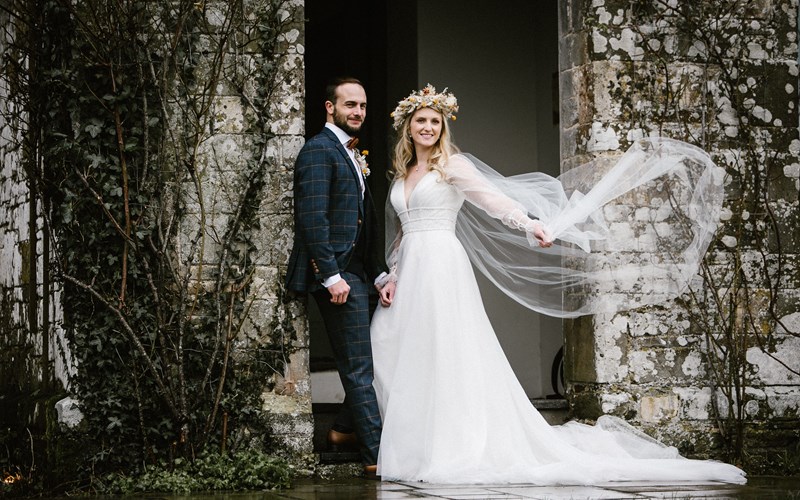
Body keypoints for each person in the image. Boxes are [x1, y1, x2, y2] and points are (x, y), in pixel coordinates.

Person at [369, 84, 746, 484]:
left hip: (442, 267)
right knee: (390, 345)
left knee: (444, 353)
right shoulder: (404, 171)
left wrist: (530, 223)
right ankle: (412, 445)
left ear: (443, 128)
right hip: (409, 271)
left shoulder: (453, 167)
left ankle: (447, 448)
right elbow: (402, 231)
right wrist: (391, 275)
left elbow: (493, 200)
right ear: (408, 128)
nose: (427, 127)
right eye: (420, 121)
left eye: (434, 121)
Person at [284, 77, 385, 477]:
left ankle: (343, 430)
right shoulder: (317, 151)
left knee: (376, 358)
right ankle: (376, 457)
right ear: (330, 108)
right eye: (349, 105)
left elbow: (365, 223)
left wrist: (378, 274)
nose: (357, 112)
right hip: (340, 279)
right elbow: (311, 220)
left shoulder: (350, 153)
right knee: (359, 368)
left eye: (361, 105)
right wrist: (330, 276)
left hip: (360, 275)